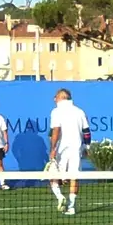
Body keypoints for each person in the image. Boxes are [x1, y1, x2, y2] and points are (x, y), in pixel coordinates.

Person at [46, 88, 88, 216]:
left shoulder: (56, 111)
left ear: (61, 97)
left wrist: (52, 149)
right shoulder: (80, 111)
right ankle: (71, 207)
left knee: (53, 176)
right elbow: (86, 132)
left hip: (61, 150)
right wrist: (87, 147)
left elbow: (56, 130)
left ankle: (60, 197)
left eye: (56, 97)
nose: (54, 99)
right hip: (76, 149)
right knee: (74, 177)